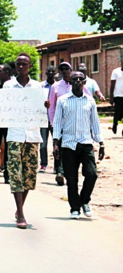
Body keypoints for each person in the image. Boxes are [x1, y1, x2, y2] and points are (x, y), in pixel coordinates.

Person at [3, 53, 47, 229]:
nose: (21, 67)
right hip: (14, 134)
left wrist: (45, 107)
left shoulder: (37, 87)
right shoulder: (8, 86)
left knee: (29, 175)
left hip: (32, 135)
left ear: (29, 66)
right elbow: (3, 109)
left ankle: (20, 206)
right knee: (15, 174)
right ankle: (20, 212)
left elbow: (41, 109)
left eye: (24, 64)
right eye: (18, 64)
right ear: (15, 66)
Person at [53, 71, 104, 219]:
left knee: (92, 174)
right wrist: (56, 143)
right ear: (70, 82)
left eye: (80, 79)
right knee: (72, 179)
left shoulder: (90, 101)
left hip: (86, 142)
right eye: (74, 79)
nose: (77, 81)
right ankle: (74, 208)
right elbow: (57, 123)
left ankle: (84, 201)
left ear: (84, 82)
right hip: (68, 144)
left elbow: (95, 123)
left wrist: (101, 143)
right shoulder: (63, 100)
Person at [48, 61, 91, 186]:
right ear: (60, 72)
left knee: (69, 148)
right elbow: (51, 106)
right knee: (58, 147)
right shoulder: (55, 87)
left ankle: (68, 171)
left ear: (71, 70)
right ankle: (60, 172)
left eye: (67, 68)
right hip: (59, 122)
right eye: (62, 69)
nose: (65, 71)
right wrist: (52, 122)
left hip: (74, 123)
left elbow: (89, 101)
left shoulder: (79, 84)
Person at [39, 65, 56, 172]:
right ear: (45, 73)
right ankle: (43, 164)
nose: (50, 73)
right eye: (48, 71)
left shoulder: (58, 86)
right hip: (43, 117)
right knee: (43, 143)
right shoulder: (41, 86)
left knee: (56, 143)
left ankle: (57, 165)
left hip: (54, 118)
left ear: (55, 73)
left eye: (52, 72)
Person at [111, 56, 123, 136]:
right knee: (118, 112)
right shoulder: (116, 71)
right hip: (118, 96)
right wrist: (111, 97)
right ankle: (115, 124)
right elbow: (112, 85)